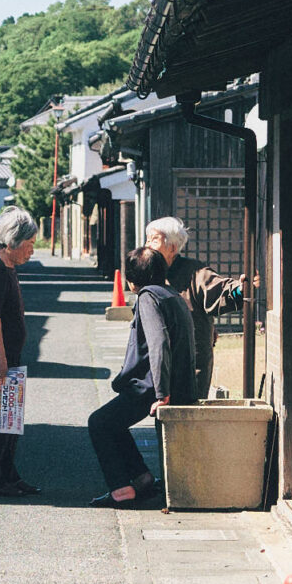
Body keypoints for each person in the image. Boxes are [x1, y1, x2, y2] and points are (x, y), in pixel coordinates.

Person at [88, 246, 196, 506]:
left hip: (153, 386)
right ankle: (142, 479)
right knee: (112, 423)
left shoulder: (148, 298)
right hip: (176, 383)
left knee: (99, 423)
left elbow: (159, 343)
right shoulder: (172, 294)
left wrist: (162, 394)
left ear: (132, 279)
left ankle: (121, 490)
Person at [0, 206, 40, 498]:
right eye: (29, 245)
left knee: (9, 420)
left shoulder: (7, 268)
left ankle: (9, 475)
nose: (31, 251)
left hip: (8, 357)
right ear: (13, 242)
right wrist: (0, 356)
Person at [145, 216, 240, 395]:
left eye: (154, 240)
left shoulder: (195, 272)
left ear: (172, 247)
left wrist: (242, 289)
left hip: (190, 365)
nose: (148, 245)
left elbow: (223, 290)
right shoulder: (152, 272)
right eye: (148, 239)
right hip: (159, 364)